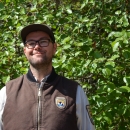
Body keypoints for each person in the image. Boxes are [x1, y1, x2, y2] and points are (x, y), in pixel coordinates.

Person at [0, 24, 95, 130]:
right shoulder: (7, 93)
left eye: (43, 41)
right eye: (31, 43)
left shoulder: (74, 92)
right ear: (25, 51)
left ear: (54, 48)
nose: (37, 47)